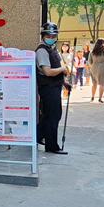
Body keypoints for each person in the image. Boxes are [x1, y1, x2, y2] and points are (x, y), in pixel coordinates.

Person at [35, 22, 70, 155]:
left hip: (54, 86)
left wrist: (63, 82)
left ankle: (37, 137)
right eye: (48, 35)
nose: (51, 37)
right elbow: (48, 72)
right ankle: (51, 145)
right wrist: (63, 69)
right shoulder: (42, 50)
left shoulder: (52, 48)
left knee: (51, 115)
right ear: (43, 36)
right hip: (48, 88)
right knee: (53, 116)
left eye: (54, 35)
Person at [89, 38, 104, 103]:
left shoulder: (92, 52)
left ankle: (92, 97)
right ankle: (100, 98)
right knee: (101, 84)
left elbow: (89, 61)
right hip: (102, 66)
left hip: (94, 67)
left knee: (94, 83)